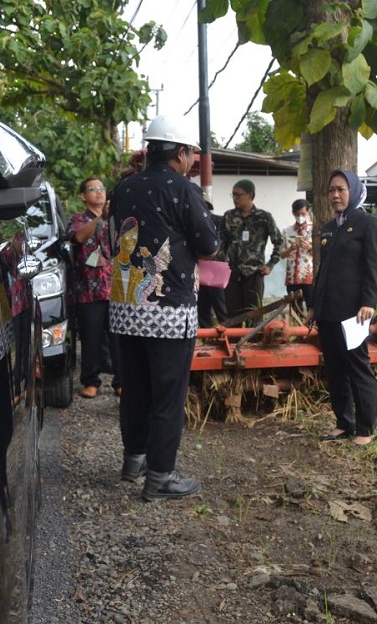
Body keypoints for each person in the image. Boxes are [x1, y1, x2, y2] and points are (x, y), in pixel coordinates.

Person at [108, 114, 219, 501]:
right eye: (191, 154)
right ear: (182, 153)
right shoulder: (182, 190)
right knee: (168, 394)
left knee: (136, 387)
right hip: (169, 311)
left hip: (126, 305)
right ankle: (160, 476)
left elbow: (112, 242)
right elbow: (209, 244)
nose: (192, 162)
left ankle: (133, 461)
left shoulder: (123, 189)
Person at [312, 170, 377, 447]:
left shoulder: (368, 224)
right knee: (335, 369)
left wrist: (368, 302)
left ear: (353, 191)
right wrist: (313, 305)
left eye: (341, 189)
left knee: (357, 367)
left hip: (355, 312)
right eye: (331, 190)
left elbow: (373, 268)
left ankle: (366, 428)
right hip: (328, 311)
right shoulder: (331, 227)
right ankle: (344, 422)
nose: (335, 195)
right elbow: (323, 270)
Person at [68, 177, 122, 399]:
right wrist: (100, 220)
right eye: (93, 189)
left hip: (114, 288)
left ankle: (121, 381)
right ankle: (91, 381)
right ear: (83, 196)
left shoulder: (116, 219)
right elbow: (79, 236)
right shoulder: (78, 219)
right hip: (88, 289)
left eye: (102, 188)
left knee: (119, 338)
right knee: (90, 338)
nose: (99, 193)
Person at [220, 179, 283, 321]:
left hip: (254, 274)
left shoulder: (264, 217)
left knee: (254, 316)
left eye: (238, 195)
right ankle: (234, 342)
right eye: (233, 195)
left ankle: (254, 342)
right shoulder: (229, 216)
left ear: (250, 195)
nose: (235, 198)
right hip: (232, 273)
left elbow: (279, 242)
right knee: (232, 317)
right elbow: (221, 242)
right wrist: (222, 263)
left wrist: (270, 265)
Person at [197, 200, 229, 328]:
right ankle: (207, 336)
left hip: (217, 268)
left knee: (220, 306)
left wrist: (223, 256)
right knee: (202, 306)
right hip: (199, 267)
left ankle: (226, 335)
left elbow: (229, 240)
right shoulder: (193, 222)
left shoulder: (220, 221)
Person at [281, 198, 314, 313]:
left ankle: (312, 329)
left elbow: (322, 252)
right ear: (293, 213)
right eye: (297, 214)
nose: (300, 216)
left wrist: (310, 247)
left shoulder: (314, 229)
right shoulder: (287, 231)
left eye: (303, 214)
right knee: (295, 309)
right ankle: (296, 330)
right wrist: (291, 248)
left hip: (309, 276)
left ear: (308, 212)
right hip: (292, 277)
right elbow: (281, 254)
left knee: (312, 307)